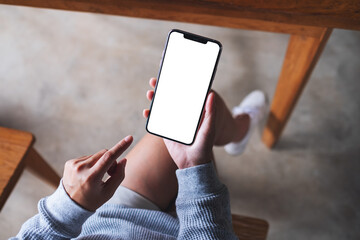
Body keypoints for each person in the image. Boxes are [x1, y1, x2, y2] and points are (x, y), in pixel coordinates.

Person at [11, 77, 267, 240]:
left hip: (112, 223)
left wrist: (66, 208)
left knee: (194, 108)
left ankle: (237, 132)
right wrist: (195, 171)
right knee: (197, 121)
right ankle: (240, 129)